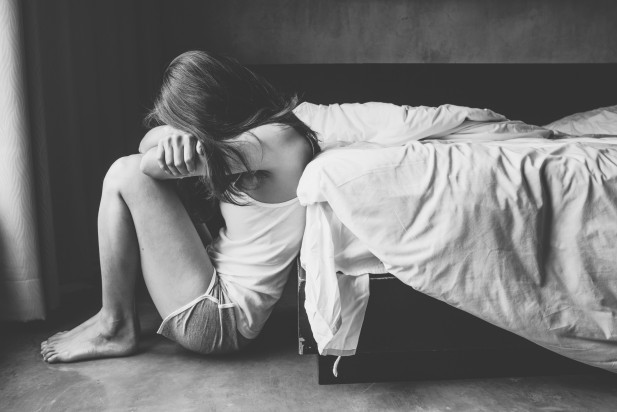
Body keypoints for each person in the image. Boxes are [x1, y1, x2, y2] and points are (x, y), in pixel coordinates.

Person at [40, 50, 320, 363]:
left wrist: (175, 136)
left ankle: (114, 325)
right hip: (216, 285)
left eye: (187, 122)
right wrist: (177, 134)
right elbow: (148, 148)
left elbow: (148, 164)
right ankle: (110, 316)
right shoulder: (267, 130)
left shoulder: (273, 140)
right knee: (129, 170)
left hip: (219, 319)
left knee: (126, 172)